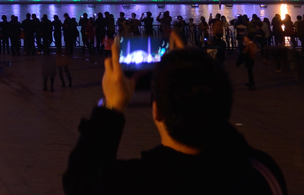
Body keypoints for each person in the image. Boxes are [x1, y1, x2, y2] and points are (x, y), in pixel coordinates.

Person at [62, 37, 286, 194]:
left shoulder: (133, 183)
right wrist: (197, 72)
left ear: (157, 111)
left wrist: (112, 106)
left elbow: (79, 178)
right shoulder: (259, 174)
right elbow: (220, 125)